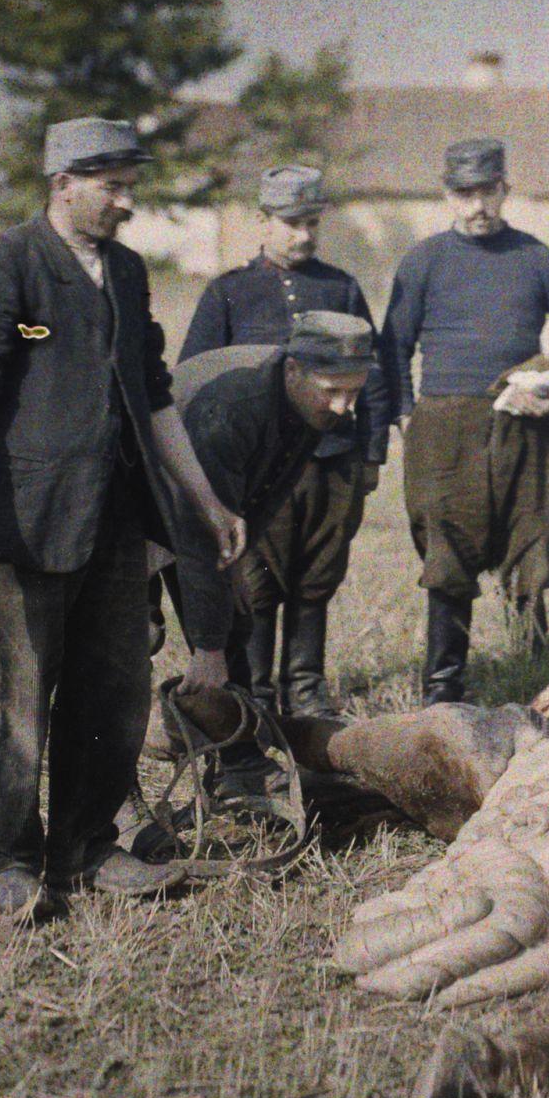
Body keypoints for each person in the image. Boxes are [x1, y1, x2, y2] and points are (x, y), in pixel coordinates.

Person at [0, 117, 244, 924]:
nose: (127, 201)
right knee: (21, 700)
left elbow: (153, 394)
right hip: (27, 521)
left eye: (129, 183)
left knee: (114, 692)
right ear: (62, 184)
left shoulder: (130, 271)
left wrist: (204, 499)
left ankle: (86, 842)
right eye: (111, 186)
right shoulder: (5, 262)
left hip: (114, 521)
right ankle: (10, 856)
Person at [377, 137, 549, 702]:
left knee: (531, 544)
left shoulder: (538, 257)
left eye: (487, 192)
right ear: (447, 195)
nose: (476, 206)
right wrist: (401, 413)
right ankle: (443, 687)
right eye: (464, 193)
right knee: (447, 550)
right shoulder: (423, 260)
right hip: (444, 428)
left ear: (505, 191)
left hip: (530, 426)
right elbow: (391, 346)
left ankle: (534, 680)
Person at [177, 165, 382, 714]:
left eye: (312, 222)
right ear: (262, 221)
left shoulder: (341, 287)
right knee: (256, 575)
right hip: (253, 462)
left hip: (332, 458)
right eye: (291, 223)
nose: (304, 235)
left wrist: (372, 452)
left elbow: (374, 374)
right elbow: (197, 372)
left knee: (317, 574)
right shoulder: (229, 292)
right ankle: (259, 690)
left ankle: (307, 687)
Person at [164, 311, 378, 795]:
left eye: (355, 391)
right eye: (333, 390)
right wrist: (206, 647)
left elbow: (265, 491)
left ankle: (239, 767)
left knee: (239, 612)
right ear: (293, 371)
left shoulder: (308, 404)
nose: (346, 407)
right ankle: (127, 789)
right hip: (131, 509)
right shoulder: (233, 409)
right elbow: (197, 532)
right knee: (134, 643)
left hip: (194, 506)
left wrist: (240, 560)